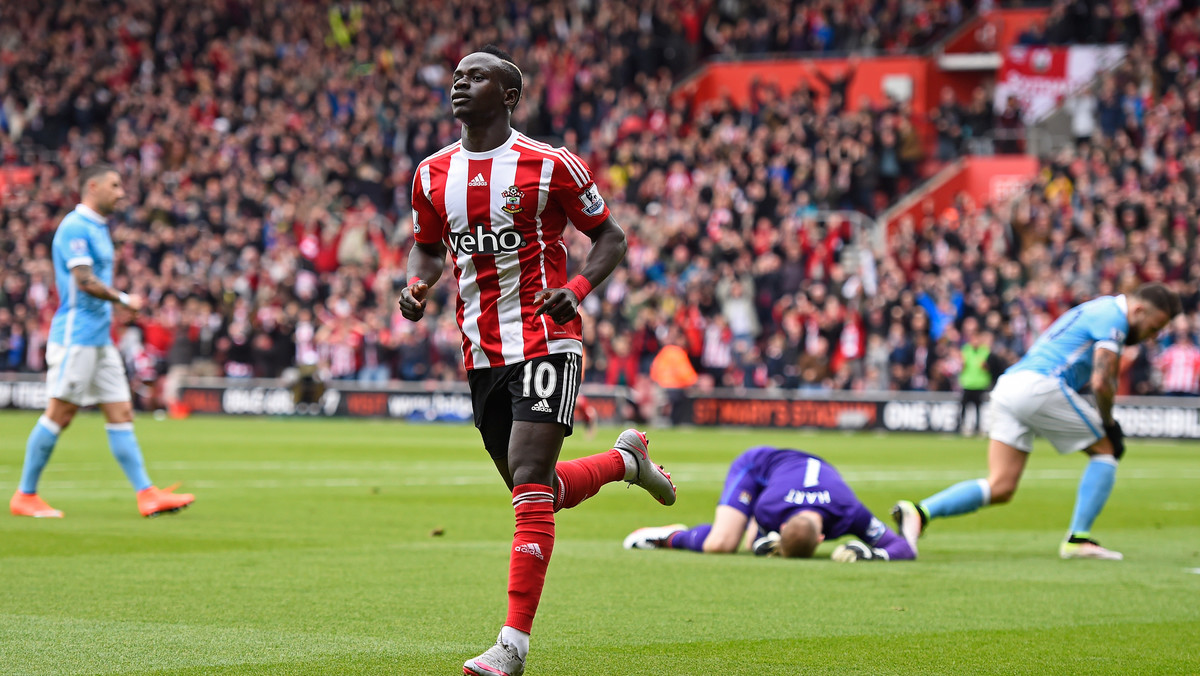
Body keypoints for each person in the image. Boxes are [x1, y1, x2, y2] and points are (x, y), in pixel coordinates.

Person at [396, 46, 676, 676]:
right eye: (457, 78)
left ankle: (512, 646)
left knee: (528, 475)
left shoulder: (549, 165)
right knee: (540, 490)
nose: (459, 86)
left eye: (476, 78)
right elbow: (427, 249)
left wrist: (575, 291)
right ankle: (624, 462)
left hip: (547, 339)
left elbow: (611, 237)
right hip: (480, 350)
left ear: (510, 95)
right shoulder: (431, 174)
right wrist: (418, 288)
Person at [893, 284, 1181, 561]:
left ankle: (918, 512)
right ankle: (1078, 539)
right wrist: (1108, 423)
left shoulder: (1098, 308)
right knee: (1107, 450)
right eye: (1153, 327)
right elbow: (1102, 382)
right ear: (1139, 309)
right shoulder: (1114, 318)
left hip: (1009, 385)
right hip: (1040, 385)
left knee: (1001, 486)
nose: (1150, 336)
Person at [11, 164, 195, 519]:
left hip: (99, 339)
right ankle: (25, 495)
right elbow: (84, 280)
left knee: (121, 412)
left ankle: (146, 494)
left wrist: (117, 308)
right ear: (91, 186)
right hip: (76, 337)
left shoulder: (98, 227)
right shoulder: (75, 227)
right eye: (115, 185)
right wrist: (125, 300)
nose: (122, 192)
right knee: (60, 414)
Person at [624, 446, 915, 563]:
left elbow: (904, 549)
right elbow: (903, 547)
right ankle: (670, 536)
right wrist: (762, 539)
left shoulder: (849, 509)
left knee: (742, 544)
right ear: (823, 537)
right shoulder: (771, 507)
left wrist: (872, 554)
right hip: (758, 466)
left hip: (797, 474)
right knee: (721, 543)